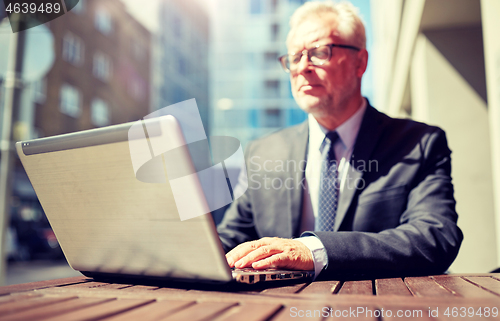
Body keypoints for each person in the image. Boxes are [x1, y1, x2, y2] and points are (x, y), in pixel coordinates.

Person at [217, 1, 463, 279]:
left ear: (360, 62)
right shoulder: (263, 151)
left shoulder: (419, 144)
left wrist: (314, 251)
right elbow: (232, 238)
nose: (303, 68)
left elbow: (434, 237)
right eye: (295, 57)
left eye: (319, 52)